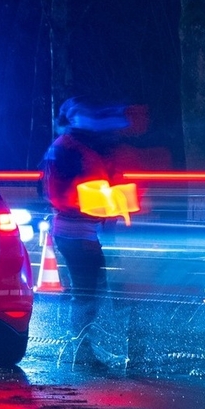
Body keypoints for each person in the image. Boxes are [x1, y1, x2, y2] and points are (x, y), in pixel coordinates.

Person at [39, 96, 133, 368]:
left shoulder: (74, 148)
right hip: (76, 232)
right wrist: (102, 204)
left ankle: (82, 349)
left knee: (89, 291)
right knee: (86, 293)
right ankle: (80, 352)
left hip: (82, 231)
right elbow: (64, 194)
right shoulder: (69, 149)